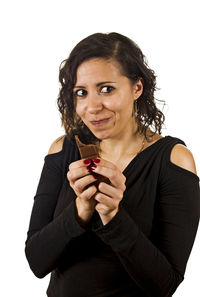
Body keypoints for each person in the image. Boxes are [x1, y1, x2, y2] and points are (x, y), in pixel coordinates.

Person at [25, 32, 200, 297]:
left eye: (106, 89)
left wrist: (112, 215)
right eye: (81, 92)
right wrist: (81, 209)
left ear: (136, 88)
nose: (92, 106)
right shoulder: (63, 150)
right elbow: (37, 262)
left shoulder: (174, 160)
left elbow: (165, 285)